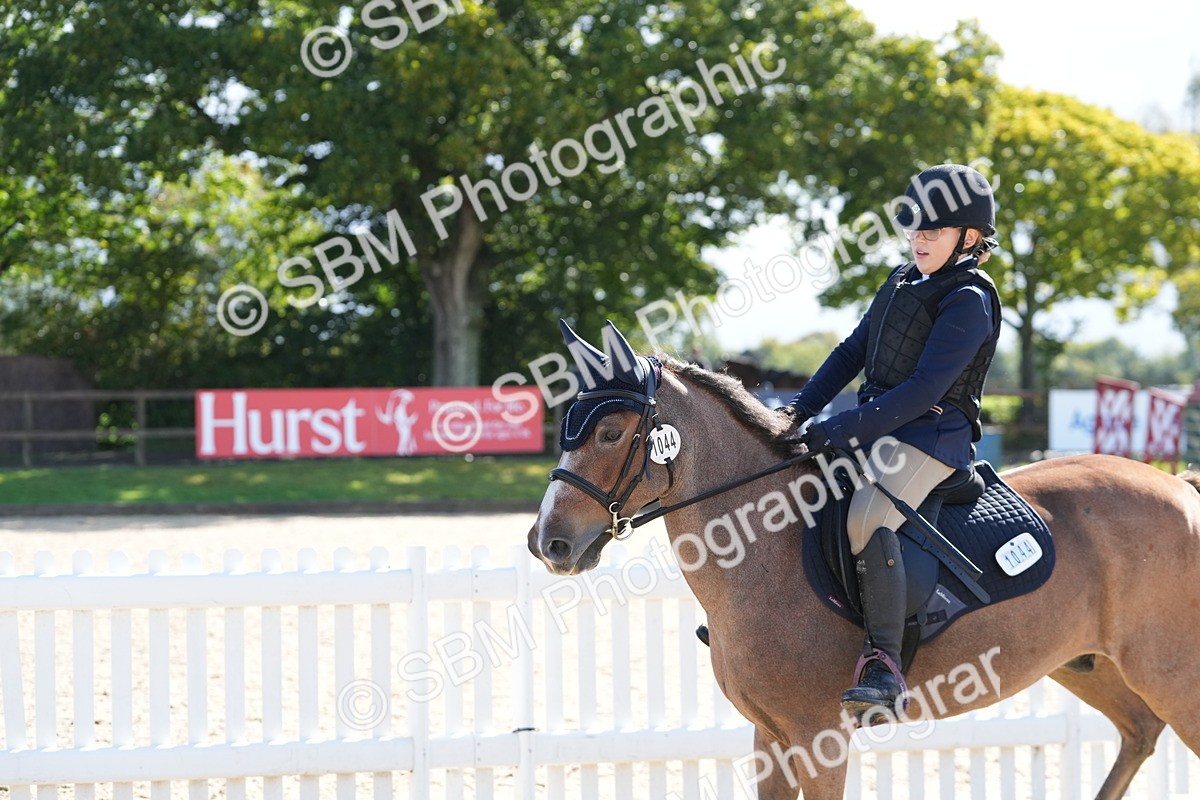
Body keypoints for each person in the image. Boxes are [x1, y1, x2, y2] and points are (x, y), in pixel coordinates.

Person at [787, 163, 1003, 716]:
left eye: (933, 231)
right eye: (915, 229)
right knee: (796, 487)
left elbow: (925, 387)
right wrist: (801, 409)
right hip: (881, 428)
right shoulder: (901, 281)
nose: (919, 239)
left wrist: (838, 430)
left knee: (867, 518)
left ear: (969, 238)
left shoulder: (969, 299)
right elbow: (852, 351)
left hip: (933, 439)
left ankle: (883, 665)